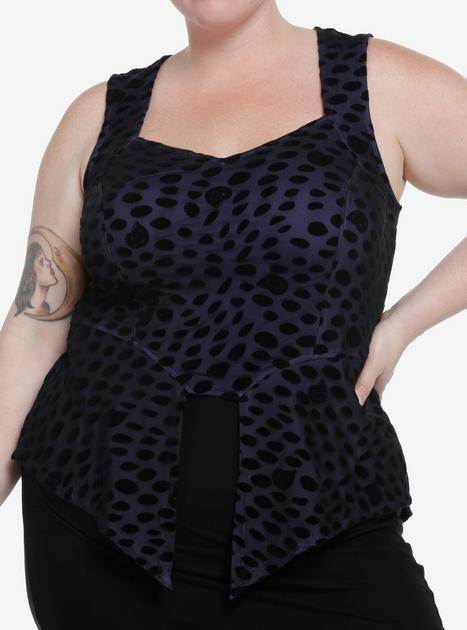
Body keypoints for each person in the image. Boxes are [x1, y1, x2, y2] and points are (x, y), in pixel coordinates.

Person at [1, 1, 465, 628]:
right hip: (100, 530)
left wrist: (404, 323)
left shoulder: (376, 84)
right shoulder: (100, 116)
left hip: (320, 519)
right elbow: (35, 326)